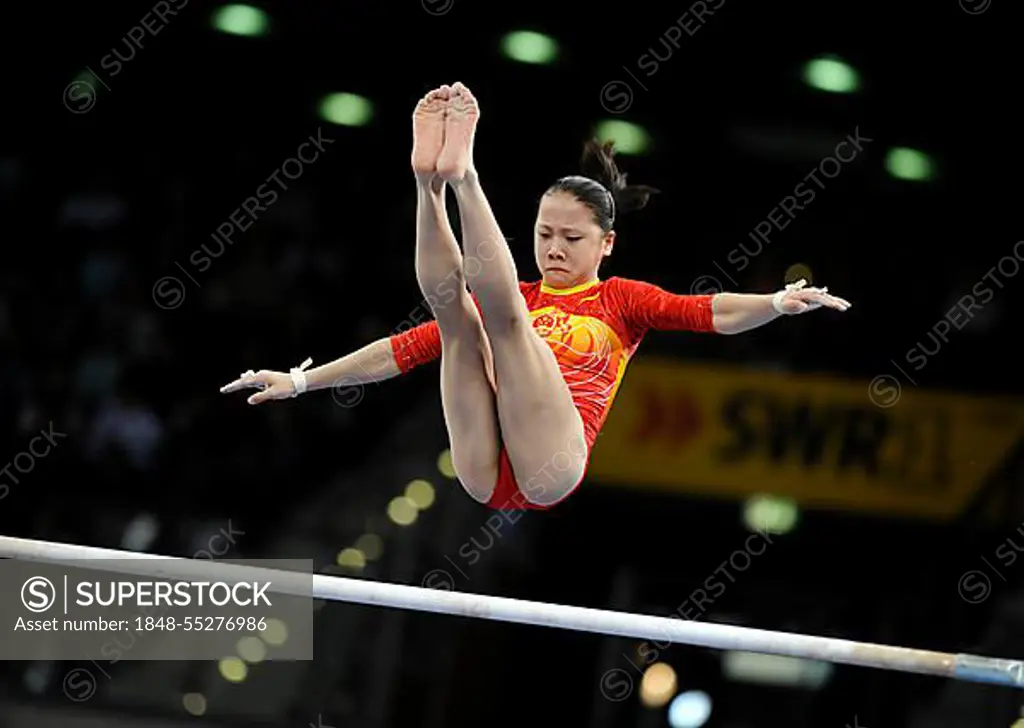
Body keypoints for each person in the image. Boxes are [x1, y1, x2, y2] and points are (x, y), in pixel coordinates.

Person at [220, 82, 850, 512]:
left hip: (553, 465)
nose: (553, 248)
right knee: (458, 317)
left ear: (606, 244)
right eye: (544, 234)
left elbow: (707, 313)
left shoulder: (621, 301)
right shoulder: (514, 293)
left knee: (507, 320)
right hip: (481, 469)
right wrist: (302, 384)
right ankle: (428, 186)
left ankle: (464, 177)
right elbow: (401, 351)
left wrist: (772, 303)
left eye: (571, 238)